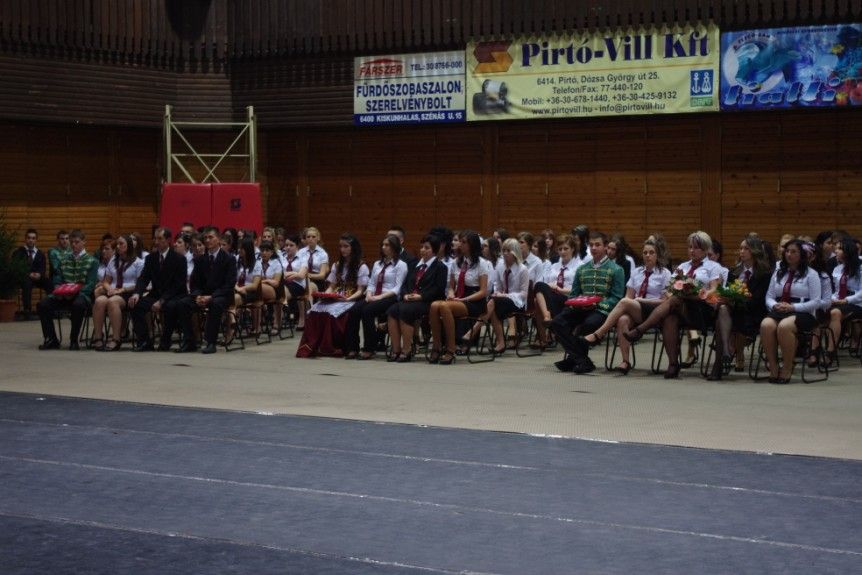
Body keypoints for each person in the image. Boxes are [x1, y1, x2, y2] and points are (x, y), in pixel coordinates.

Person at [622, 231, 723, 379]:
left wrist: (699, 292)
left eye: (696, 248)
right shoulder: (683, 266)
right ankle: (673, 364)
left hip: (701, 309)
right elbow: (670, 289)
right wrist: (680, 290)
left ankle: (640, 330)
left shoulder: (713, 266)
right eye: (690, 247)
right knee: (670, 317)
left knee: (675, 302)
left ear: (705, 249)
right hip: (681, 307)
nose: (692, 251)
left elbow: (715, 290)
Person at [580, 238, 672, 374]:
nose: (647, 255)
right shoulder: (637, 272)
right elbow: (629, 296)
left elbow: (665, 301)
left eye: (651, 252)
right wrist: (635, 302)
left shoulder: (664, 273)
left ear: (657, 255)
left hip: (655, 310)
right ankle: (625, 361)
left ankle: (599, 334)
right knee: (622, 319)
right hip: (637, 309)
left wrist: (642, 301)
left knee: (624, 302)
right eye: (645, 253)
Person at [549, 231, 625, 374]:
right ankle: (582, 360)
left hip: (601, 310)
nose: (594, 248)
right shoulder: (582, 269)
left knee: (588, 324)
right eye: (591, 245)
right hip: (580, 308)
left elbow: (616, 298)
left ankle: (574, 359)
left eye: (597, 245)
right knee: (557, 322)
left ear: (605, 247)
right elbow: (574, 294)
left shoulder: (616, 270)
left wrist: (597, 304)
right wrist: (577, 303)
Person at [707, 236, 771, 380]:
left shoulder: (765, 274)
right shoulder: (735, 271)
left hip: (752, 314)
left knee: (722, 319)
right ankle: (725, 352)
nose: (741, 251)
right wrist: (725, 297)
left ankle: (722, 359)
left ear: (754, 251)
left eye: (746, 248)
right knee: (722, 310)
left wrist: (733, 300)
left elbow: (758, 300)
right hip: (734, 312)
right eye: (741, 248)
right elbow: (728, 291)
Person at [296, 233, 369, 358]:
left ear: (353, 248)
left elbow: (360, 290)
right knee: (314, 311)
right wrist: (326, 294)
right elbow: (332, 286)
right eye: (341, 246)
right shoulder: (337, 265)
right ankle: (313, 346)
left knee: (332, 315)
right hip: (337, 296)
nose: (342, 249)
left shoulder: (361, 266)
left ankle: (333, 347)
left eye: (346, 246)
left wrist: (347, 299)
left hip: (352, 298)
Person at [759, 239, 822, 383]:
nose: (789, 254)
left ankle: (787, 367)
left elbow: (816, 301)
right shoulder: (779, 272)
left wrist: (793, 307)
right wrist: (774, 305)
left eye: (793, 252)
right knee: (766, 325)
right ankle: (774, 367)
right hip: (780, 309)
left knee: (784, 327)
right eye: (787, 251)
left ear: (801, 255)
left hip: (803, 312)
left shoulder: (811, 274)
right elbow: (769, 296)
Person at [428, 230, 492, 365]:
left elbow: (483, 291)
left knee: (444, 307)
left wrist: (463, 299)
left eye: (464, 242)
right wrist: (451, 294)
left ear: (472, 245)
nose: (460, 245)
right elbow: (451, 286)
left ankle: (450, 349)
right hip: (458, 297)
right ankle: (437, 346)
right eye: (460, 242)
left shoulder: (482, 263)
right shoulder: (456, 262)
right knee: (434, 305)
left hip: (474, 300)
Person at [386, 235, 447, 362]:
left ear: (435, 250)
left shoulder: (440, 267)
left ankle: (407, 350)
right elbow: (405, 284)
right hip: (410, 299)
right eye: (422, 247)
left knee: (405, 310)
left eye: (427, 248)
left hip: (428, 301)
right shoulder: (415, 265)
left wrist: (421, 296)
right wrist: (405, 294)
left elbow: (439, 289)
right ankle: (396, 349)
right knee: (392, 310)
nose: (422, 250)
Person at [347, 234, 408, 360]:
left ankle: (369, 348)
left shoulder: (401, 265)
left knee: (367, 311)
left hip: (390, 297)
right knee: (354, 310)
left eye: (387, 245)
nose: (383, 247)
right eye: (383, 245)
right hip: (374, 295)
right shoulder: (377, 264)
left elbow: (397, 288)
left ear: (394, 247)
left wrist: (379, 298)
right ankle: (353, 347)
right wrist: (369, 294)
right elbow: (372, 283)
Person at [37, 229, 99, 350]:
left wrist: (74, 293)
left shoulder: (92, 261)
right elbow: (57, 279)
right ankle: (51, 339)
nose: (73, 245)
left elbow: (90, 285)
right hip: (63, 295)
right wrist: (58, 289)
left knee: (78, 305)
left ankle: (73, 340)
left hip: (81, 295)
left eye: (77, 242)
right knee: (42, 304)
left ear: (84, 242)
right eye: (72, 242)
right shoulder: (64, 260)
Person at [128, 227, 188, 352]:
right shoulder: (151, 258)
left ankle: (165, 341)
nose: (156, 242)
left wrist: (162, 300)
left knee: (170, 306)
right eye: (155, 238)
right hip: (156, 293)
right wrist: (137, 293)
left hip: (174, 295)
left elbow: (178, 285)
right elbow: (144, 278)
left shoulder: (179, 259)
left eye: (160, 238)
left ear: (168, 240)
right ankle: (145, 341)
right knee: (135, 304)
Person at [180, 227, 237, 354]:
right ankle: (190, 340)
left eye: (211, 237)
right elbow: (195, 283)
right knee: (183, 303)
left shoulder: (229, 259)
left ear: (219, 239)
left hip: (222, 296)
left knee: (215, 304)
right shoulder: (200, 259)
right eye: (205, 238)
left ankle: (211, 342)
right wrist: (197, 295)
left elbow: (229, 285)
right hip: (203, 295)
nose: (207, 240)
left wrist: (211, 297)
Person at [90, 234, 144, 351]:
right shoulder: (113, 260)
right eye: (117, 244)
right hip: (113, 290)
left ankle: (116, 338)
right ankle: (98, 337)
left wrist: (122, 290)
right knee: (99, 301)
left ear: (129, 246)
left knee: (112, 302)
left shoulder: (138, 262)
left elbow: (141, 284)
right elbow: (106, 281)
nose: (118, 246)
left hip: (128, 291)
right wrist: (109, 288)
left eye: (121, 244)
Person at [532, 234, 580, 348]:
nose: (562, 252)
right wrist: (551, 287)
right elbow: (545, 283)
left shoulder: (579, 266)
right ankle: (546, 320)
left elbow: (578, 291)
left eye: (566, 248)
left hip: (568, 299)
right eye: (560, 249)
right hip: (552, 297)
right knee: (538, 287)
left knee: (538, 300)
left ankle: (543, 336)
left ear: (573, 249)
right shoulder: (553, 266)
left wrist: (561, 289)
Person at [487, 238, 530, 354]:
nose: (505, 253)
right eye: (504, 250)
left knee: (493, 303)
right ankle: (501, 343)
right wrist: (498, 293)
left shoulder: (523, 269)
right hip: (501, 300)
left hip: (517, 303)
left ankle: (475, 329)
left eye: (508, 251)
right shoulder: (500, 267)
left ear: (515, 252)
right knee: (493, 304)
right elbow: (498, 286)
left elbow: (523, 294)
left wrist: (505, 295)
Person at [826, 237, 862, 361]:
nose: (835, 251)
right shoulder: (837, 269)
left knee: (835, 312)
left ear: (848, 251)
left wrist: (847, 300)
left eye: (839, 249)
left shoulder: (860, 268)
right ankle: (815, 349)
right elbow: (837, 292)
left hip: (857, 303)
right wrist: (831, 299)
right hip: (841, 302)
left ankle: (830, 351)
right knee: (821, 309)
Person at [229, 237, 263, 339]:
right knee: (226, 298)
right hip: (237, 289)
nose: (239, 250)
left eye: (242, 248)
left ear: (248, 249)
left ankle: (230, 331)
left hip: (251, 292)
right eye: (239, 248)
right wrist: (237, 287)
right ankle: (233, 321)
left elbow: (255, 285)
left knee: (232, 299)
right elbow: (232, 279)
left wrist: (242, 289)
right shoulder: (237, 261)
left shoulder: (257, 263)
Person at [12, 228, 46, 318]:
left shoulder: (40, 254)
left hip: (37, 278)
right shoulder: (18, 252)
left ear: (36, 240)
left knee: (49, 283)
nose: (31, 240)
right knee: (27, 283)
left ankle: (51, 309)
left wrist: (39, 274)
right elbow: (16, 268)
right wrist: (28, 274)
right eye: (29, 238)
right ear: (25, 239)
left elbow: (43, 268)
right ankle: (27, 310)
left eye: (33, 238)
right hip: (24, 278)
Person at [281, 233, 308, 329]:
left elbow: (301, 275)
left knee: (280, 291)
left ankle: (285, 306)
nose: (288, 247)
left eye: (291, 245)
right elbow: (279, 274)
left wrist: (288, 274)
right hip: (284, 283)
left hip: (298, 285)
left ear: (297, 246)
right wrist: (294, 274)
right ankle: (280, 316)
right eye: (286, 245)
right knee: (279, 288)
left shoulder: (303, 258)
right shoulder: (282, 258)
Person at [258, 241, 285, 335]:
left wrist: (263, 281)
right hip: (261, 290)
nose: (264, 253)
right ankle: (256, 326)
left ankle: (276, 324)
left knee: (257, 287)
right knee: (255, 289)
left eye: (267, 250)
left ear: (272, 252)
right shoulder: (257, 263)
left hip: (276, 291)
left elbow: (276, 283)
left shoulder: (276, 263)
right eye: (262, 250)